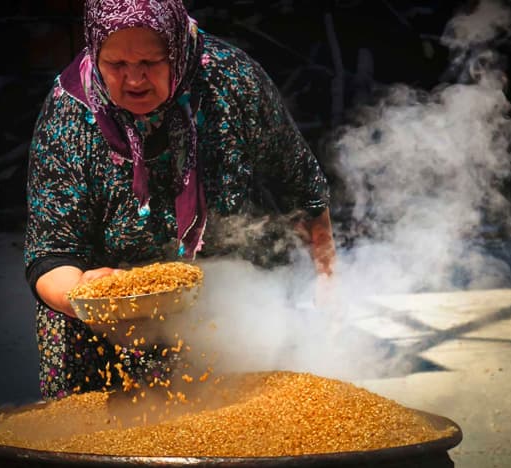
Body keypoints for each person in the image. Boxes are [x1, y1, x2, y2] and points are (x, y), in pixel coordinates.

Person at [24, 0, 336, 400]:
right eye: (116, 64)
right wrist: (85, 294)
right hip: (102, 327)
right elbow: (50, 252)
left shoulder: (228, 81)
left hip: (225, 301)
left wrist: (328, 278)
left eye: (151, 63)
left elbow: (301, 180)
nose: (134, 79)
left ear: (178, 49)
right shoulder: (69, 114)